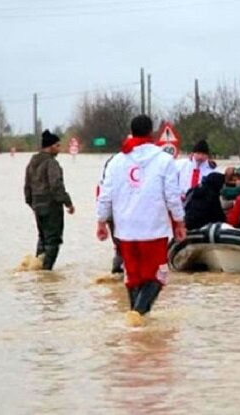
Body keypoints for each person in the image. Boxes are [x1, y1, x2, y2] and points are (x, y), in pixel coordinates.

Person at [96, 115, 186, 327]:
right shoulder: (164, 160)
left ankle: (135, 325)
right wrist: (179, 221)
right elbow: (173, 196)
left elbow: (105, 194)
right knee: (157, 276)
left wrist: (101, 221)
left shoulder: (117, 161)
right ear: (152, 133)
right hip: (153, 229)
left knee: (133, 276)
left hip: (125, 230)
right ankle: (138, 315)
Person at [24, 130, 75, 270]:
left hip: (37, 207)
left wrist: (33, 204)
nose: (59, 149)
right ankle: (46, 271)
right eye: (58, 146)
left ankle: (37, 269)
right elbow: (56, 185)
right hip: (51, 207)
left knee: (42, 239)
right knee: (53, 241)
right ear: (51, 146)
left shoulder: (32, 163)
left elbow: (27, 188)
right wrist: (68, 202)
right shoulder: (51, 163)